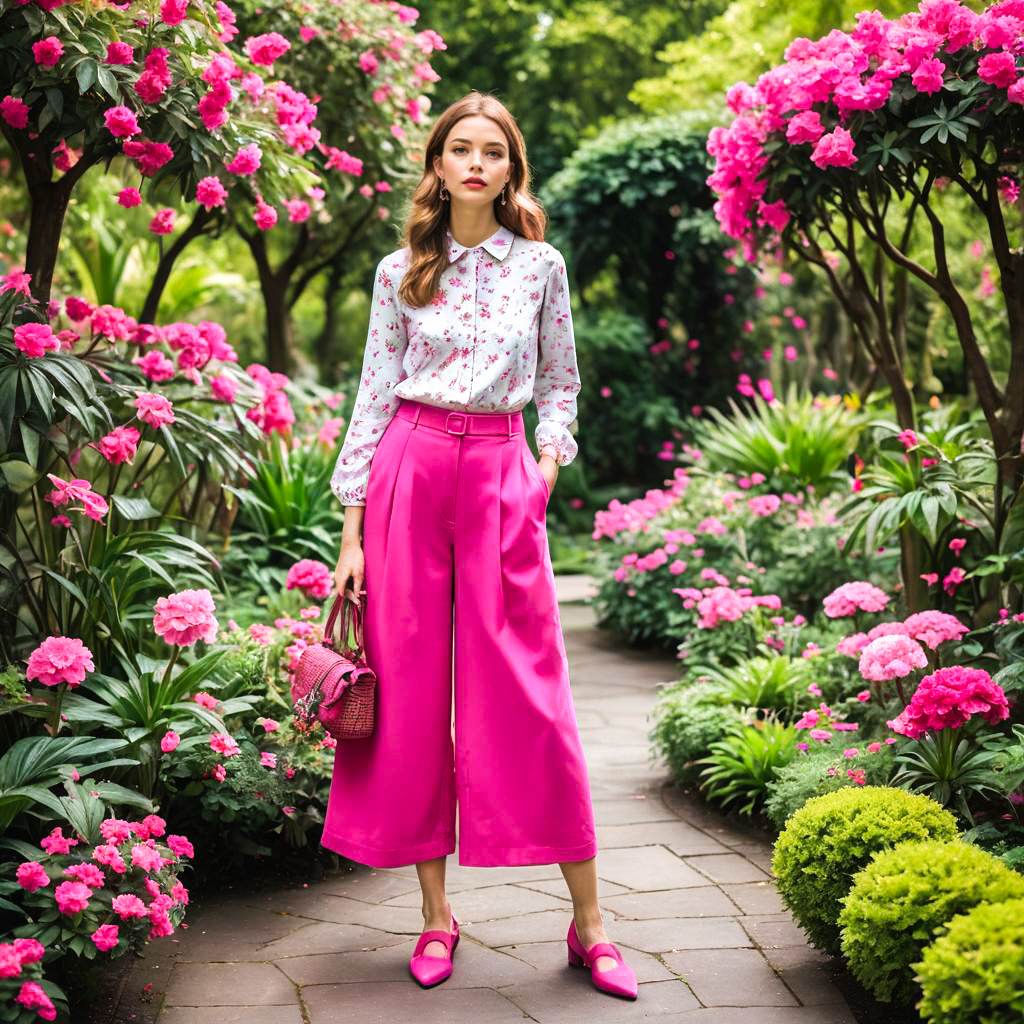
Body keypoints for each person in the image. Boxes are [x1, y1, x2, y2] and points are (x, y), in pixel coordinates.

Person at [325, 90, 638, 1001]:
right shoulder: (399, 270)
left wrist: (544, 468)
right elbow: (374, 395)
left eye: (490, 152)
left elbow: (561, 382)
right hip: (409, 472)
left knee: (532, 695)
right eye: (458, 148)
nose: (473, 163)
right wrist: (350, 531)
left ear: (511, 169)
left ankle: (591, 926)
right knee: (413, 694)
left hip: (503, 473)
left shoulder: (541, 265)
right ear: (437, 164)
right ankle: (434, 918)